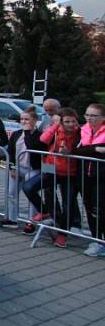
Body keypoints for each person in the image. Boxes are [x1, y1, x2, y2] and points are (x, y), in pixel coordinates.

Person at [35, 108, 81, 247]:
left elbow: (79, 147)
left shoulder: (77, 130)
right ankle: (49, 214)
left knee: (68, 201)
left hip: (69, 170)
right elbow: (43, 140)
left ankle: (64, 231)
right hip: (49, 165)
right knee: (46, 191)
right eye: (45, 108)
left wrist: (69, 151)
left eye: (73, 121)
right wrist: (55, 125)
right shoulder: (52, 125)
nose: (70, 124)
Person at [0, 107, 45, 231]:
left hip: (33, 169)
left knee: (31, 195)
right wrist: (11, 166)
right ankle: (11, 219)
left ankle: (32, 222)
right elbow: (11, 151)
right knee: (11, 193)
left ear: (34, 120)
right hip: (18, 168)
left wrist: (28, 132)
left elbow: (33, 146)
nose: (23, 121)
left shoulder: (39, 135)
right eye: (21, 119)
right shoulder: (16, 134)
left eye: (26, 119)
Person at [75, 103, 105, 257]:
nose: (89, 118)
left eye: (93, 115)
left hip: (101, 176)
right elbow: (77, 150)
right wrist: (95, 149)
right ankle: (96, 240)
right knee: (89, 207)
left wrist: (92, 150)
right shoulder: (83, 129)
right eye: (87, 115)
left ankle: (100, 242)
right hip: (85, 175)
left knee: (99, 208)